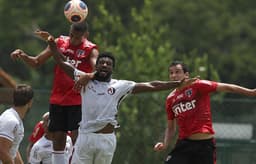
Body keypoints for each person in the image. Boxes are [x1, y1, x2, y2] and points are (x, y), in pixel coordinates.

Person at [36, 32, 197, 164]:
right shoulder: (84, 80)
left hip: (106, 140)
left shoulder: (119, 85)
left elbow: (152, 85)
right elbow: (62, 63)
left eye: (108, 64)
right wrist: (52, 43)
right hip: (85, 138)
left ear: (113, 68)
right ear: (96, 65)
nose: (105, 65)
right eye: (102, 63)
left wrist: (175, 84)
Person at [10, 21, 99, 164]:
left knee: (78, 137)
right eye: (71, 35)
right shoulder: (59, 42)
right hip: (58, 99)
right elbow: (36, 62)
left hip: (79, 100)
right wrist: (23, 55)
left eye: (78, 37)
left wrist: (88, 76)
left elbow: (99, 72)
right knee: (58, 137)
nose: (74, 40)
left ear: (86, 35)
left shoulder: (91, 49)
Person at [153, 61, 256, 164]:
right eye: (171, 73)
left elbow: (228, 87)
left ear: (186, 74)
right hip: (184, 145)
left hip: (205, 145)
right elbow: (171, 127)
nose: (174, 75)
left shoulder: (198, 85)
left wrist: (250, 92)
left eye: (177, 72)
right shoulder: (170, 98)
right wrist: (165, 144)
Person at [0, 84, 34, 164]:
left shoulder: (15, 119)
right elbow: (2, 150)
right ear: (30, 102)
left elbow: (13, 149)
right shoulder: (11, 120)